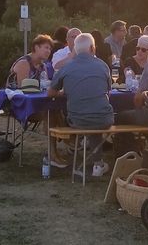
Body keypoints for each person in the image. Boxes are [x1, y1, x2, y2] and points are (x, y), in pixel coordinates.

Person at [48, 33, 114, 177]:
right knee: (95, 116)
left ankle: (95, 162)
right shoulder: (103, 66)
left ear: (76, 50)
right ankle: (98, 164)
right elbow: (108, 91)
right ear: (92, 48)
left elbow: (51, 92)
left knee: (88, 117)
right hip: (104, 120)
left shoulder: (66, 67)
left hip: (78, 120)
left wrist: (66, 93)